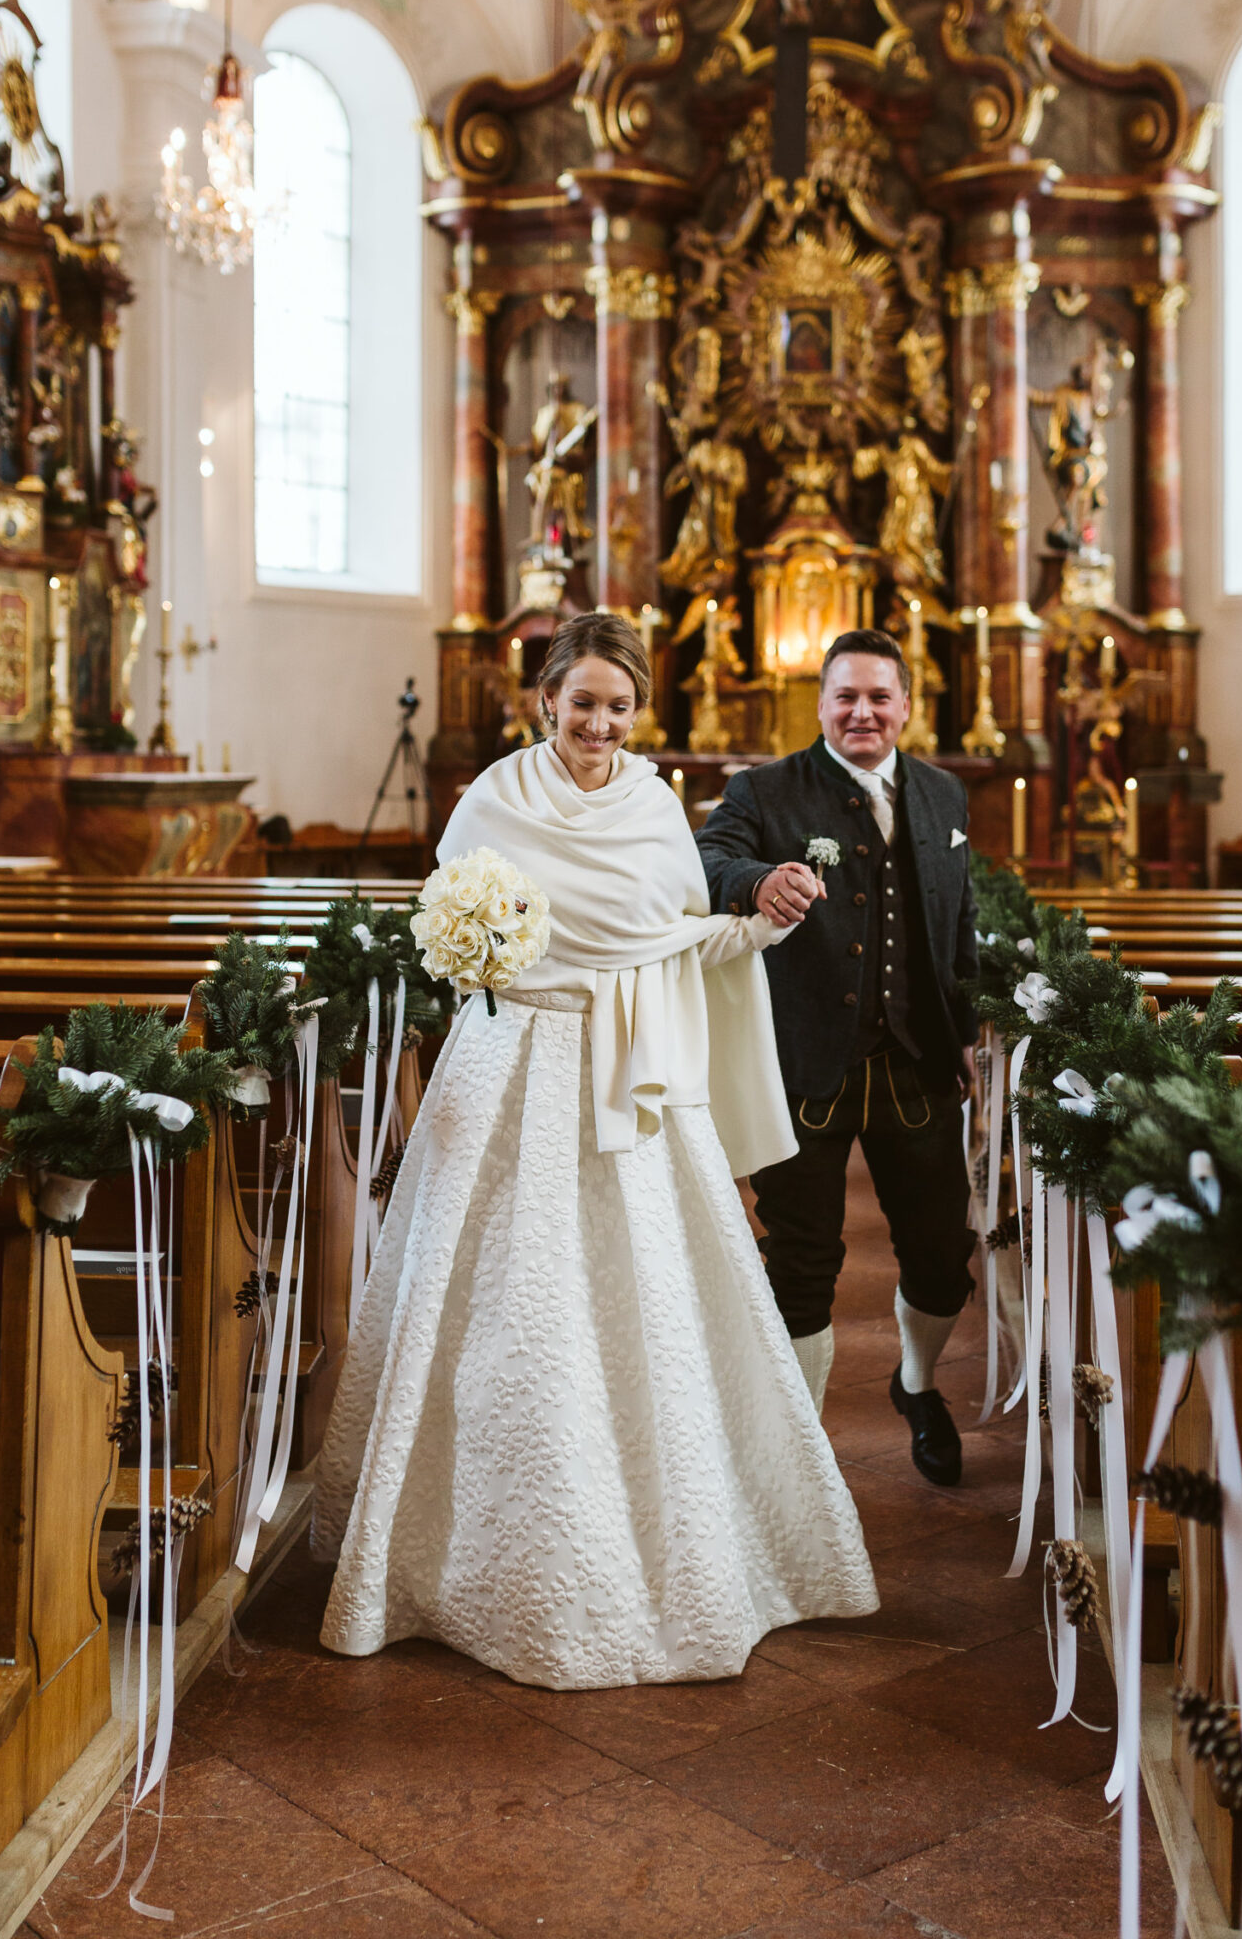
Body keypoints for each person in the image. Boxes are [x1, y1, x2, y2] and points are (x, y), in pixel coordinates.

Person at [313, 613, 877, 1688]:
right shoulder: (491, 798)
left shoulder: (658, 807)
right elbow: (449, 922)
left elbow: (668, 938)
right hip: (506, 1061)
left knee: (643, 1304)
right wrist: (469, 947)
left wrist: (760, 918)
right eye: (583, 703)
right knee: (493, 1300)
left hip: (624, 1069)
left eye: (620, 706)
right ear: (545, 700)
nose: (601, 724)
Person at [696, 627, 979, 1487]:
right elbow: (704, 860)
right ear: (819, 704)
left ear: (904, 706)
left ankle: (917, 1384)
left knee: (939, 1259)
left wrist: (964, 1031)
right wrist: (753, 882)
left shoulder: (942, 797)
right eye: (845, 696)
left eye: (878, 696)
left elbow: (957, 922)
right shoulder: (764, 788)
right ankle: (796, 1457)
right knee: (801, 1266)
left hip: (917, 1066)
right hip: (804, 1064)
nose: (862, 711)